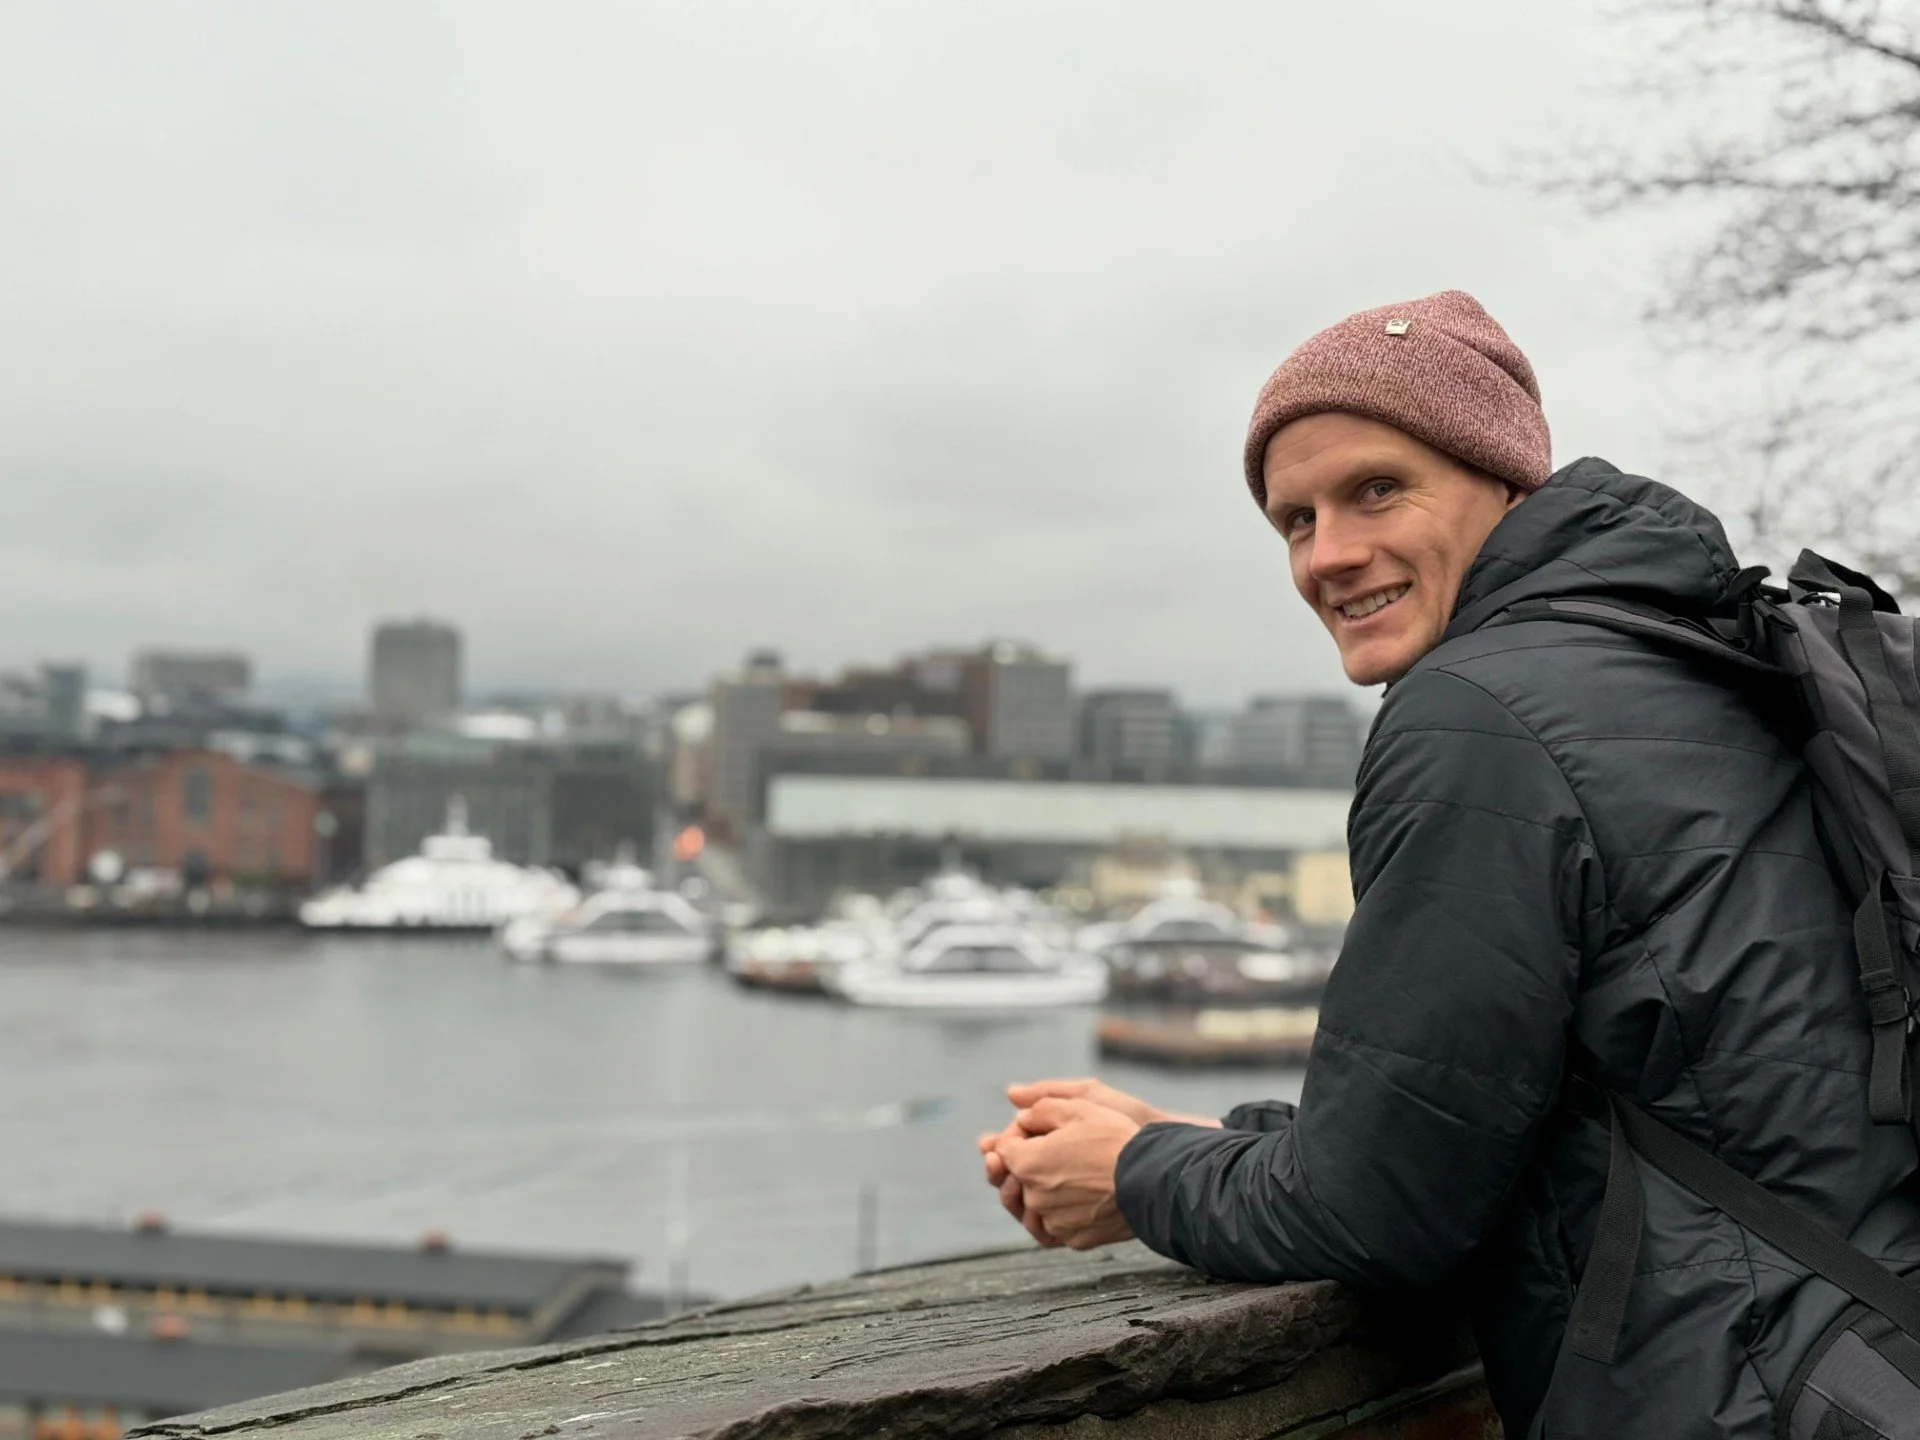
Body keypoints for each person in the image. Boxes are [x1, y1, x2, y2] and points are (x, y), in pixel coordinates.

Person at [978, 290, 1920, 1438]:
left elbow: (1383, 1211)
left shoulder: (1477, 716)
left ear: (1505, 479)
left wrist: (1133, 1178)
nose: (1330, 553)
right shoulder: (1705, 659)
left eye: (1376, 489)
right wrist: (1204, 1143)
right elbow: (1566, 1105)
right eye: (1293, 520)